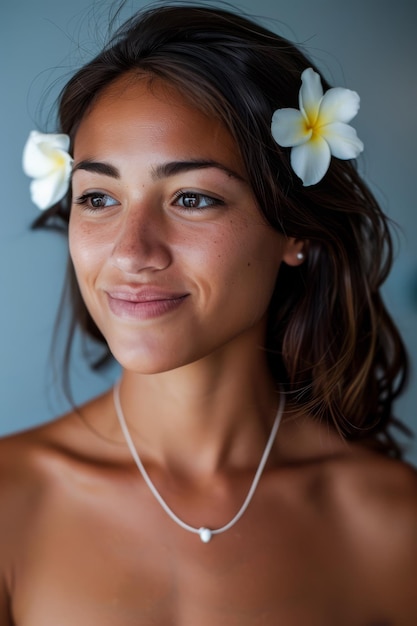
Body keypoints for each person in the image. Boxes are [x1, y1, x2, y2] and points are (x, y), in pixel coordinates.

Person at [1, 4, 416, 624]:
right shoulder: (10, 504)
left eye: (192, 198)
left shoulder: (393, 525)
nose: (132, 251)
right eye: (98, 198)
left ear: (293, 230)